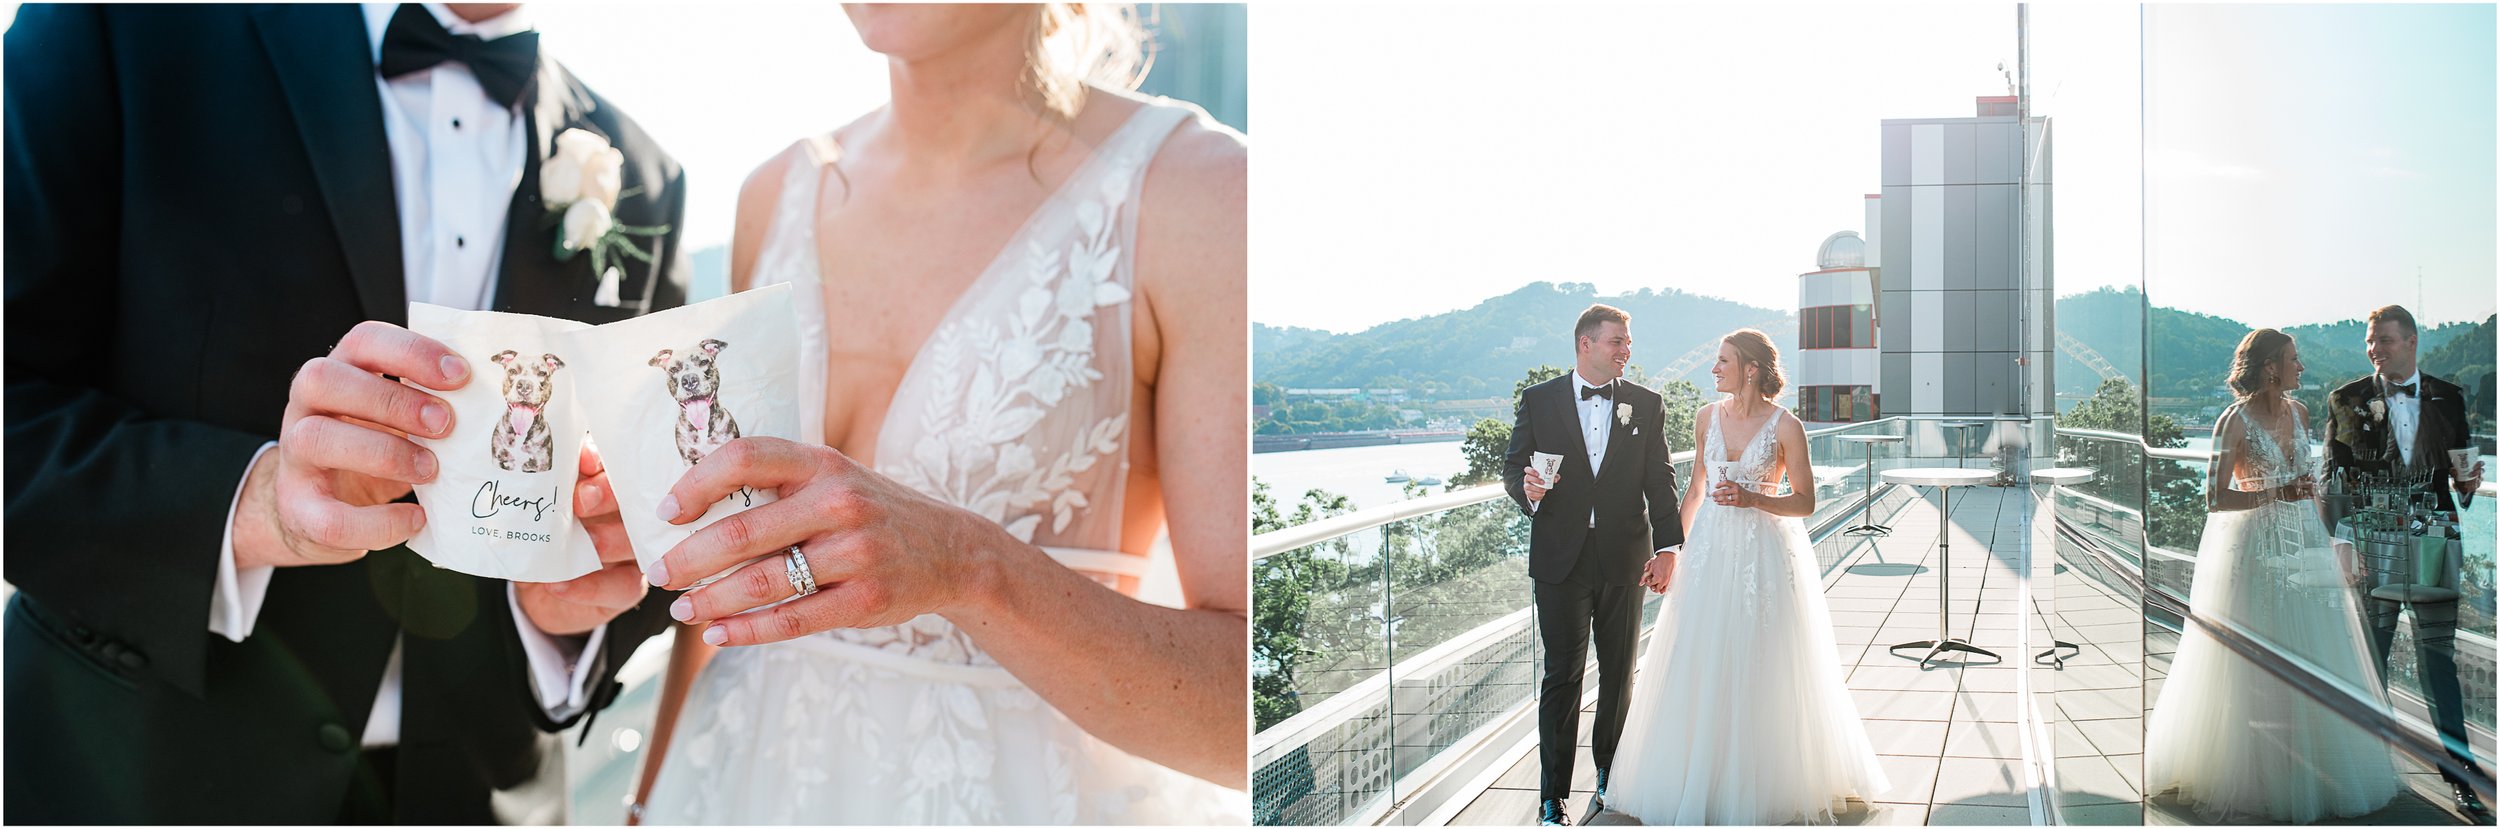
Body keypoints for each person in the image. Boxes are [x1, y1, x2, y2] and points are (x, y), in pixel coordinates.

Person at [3, 3, 686, 822]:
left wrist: (565, 622)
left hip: (484, 797)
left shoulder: (645, 176)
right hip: (135, 777)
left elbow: (649, 494)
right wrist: (253, 505)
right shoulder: (120, 24)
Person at [625, 4, 1248, 823]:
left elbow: (1253, 713)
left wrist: (967, 566)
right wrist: (646, 799)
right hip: (732, 785)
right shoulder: (772, 194)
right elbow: (731, 581)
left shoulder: (1199, 194)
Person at [1601, 329, 1887, 825]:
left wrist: (1754, 498)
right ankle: (1700, 776)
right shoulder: (1705, 417)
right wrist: (1670, 550)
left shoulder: (1786, 426)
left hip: (1764, 558)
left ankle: (1762, 780)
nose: (1713, 370)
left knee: (1762, 659)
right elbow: (1694, 491)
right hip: (1709, 553)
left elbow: (1805, 502)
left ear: (1750, 369)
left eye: (1723, 362)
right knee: (1700, 655)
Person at [2146, 328, 2401, 822]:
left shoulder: (2300, 414)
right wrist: (2274, 495)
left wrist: (2337, 542)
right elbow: (2214, 498)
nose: (2301, 368)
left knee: (2312, 652)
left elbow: (2312, 489)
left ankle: (2311, 770)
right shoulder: (2232, 422)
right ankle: (2256, 774)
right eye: (2293, 359)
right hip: (2253, 551)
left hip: (2303, 543)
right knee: (2252, 668)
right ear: (2270, 368)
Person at [1499, 304, 1686, 826]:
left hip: (1626, 559)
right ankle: (1551, 797)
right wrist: (1527, 490)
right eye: (1617, 342)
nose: (1626, 350)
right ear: (1586, 344)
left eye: (1627, 342)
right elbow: (1515, 468)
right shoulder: (1539, 400)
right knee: (1563, 676)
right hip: (1560, 560)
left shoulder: (1647, 404)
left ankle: (1611, 776)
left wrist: (1669, 549)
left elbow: (1661, 479)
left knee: (1620, 673)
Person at [2320, 305, 2488, 816]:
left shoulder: (2450, 397)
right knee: (2373, 655)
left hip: (2435, 538)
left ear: (2412, 342)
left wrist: (2470, 482)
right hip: (2374, 542)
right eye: (2371, 342)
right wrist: (2343, 543)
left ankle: (2461, 775)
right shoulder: (2346, 400)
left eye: (2385, 341)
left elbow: (2460, 476)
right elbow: (2336, 477)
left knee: (2440, 659)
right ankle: (2370, 768)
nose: (2375, 349)